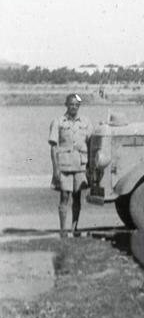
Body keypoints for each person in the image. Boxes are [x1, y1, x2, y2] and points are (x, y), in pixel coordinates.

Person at [49, 93, 92, 237]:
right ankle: (63, 230)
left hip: (80, 166)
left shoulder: (85, 122)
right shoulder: (58, 122)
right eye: (71, 104)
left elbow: (92, 144)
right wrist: (55, 170)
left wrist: (90, 167)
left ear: (79, 106)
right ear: (66, 105)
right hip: (65, 166)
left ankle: (75, 228)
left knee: (77, 197)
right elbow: (54, 147)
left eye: (76, 105)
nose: (73, 107)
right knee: (64, 197)